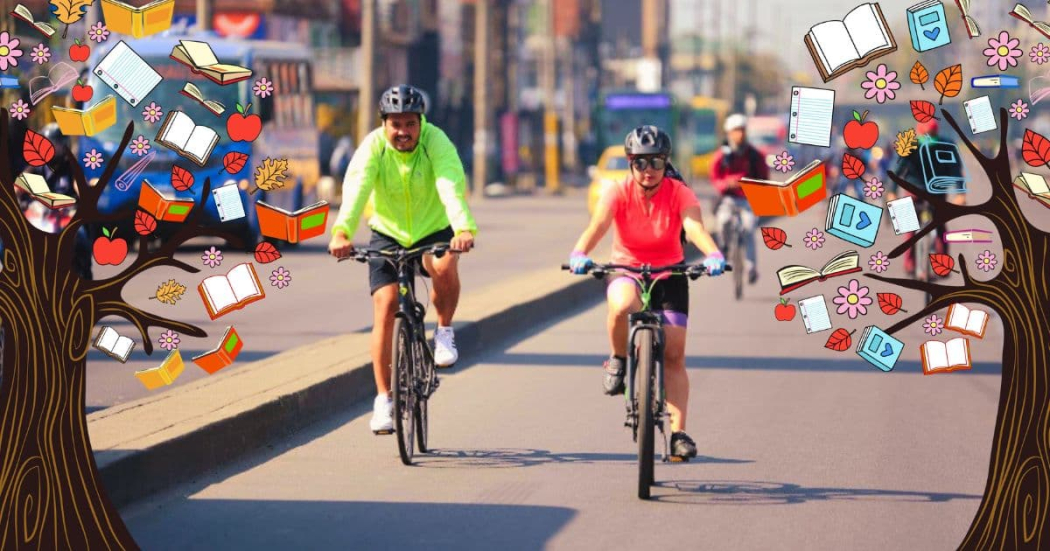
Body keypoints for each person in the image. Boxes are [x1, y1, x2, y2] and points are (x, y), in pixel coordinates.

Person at [567, 125, 726, 461]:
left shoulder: (680, 192)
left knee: (674, 352)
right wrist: (579, 253)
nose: (648, 170)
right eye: (640, 163)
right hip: (627, 268)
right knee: (623, 304)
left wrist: (713, 254)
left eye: (656, 162)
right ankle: (619, 359)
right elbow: (597, 227)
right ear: (629, 163)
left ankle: (679, 434)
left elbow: (693, 227)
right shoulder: (617, 191)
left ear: (666, 163)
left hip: (670, 273)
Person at [328, 85, 478, 435]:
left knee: (442, 265)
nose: (403, 132)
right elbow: (356, 188)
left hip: (434, 227)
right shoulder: (373, 148)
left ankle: (443, 331)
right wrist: (342, 232)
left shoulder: (436, 141)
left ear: (420, 122)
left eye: (410, 124)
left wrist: (463, 228)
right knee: (385, 305)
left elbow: (449, 185)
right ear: (384, 124)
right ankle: (383, 400)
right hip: (387, 231)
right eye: (395, 124)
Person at [886, 119, 964, 276]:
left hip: (930, 191)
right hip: (922, 191)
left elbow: (955, 170)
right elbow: (897, 170)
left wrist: (960, 194)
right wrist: (892, 191)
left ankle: (928, 263)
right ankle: (922, 263)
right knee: (921, 226)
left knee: (932, 227)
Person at [709, 113, 766, 284]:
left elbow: (763, 178)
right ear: (729, 133)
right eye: (735, 131)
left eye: (742, 130)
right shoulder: (721, 155)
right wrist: (726, 184)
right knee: (723, 221)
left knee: (749, 228)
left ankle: (751, 268)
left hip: (748, 200)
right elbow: (714, 177)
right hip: (728, 199)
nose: (739, 135)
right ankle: (725, 248)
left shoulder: (754, 155)